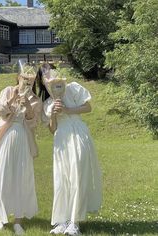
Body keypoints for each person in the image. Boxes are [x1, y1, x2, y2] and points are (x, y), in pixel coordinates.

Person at [37, 63, 102, 235]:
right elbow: (52, 129)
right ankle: (62, 220)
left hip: (78, 133)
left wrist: (67, 109)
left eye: (51, 72)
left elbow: (88, 107)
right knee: (62, 179)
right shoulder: (47, 103)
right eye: (45, 76)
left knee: (78, 175)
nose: (49, 76)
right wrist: (53, 115)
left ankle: (75, 223)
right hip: (61, 139)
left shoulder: (72, 89)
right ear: (43, 82)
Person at [0, 64, 42, 235]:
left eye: (31, 81)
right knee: (3, 174)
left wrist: (28, 107)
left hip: (23, 139)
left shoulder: (35, 100)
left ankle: (18, 221)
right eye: (25, 79)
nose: (28, 83)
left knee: (21, 177)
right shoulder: (8, 90)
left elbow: (33, 123)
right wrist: (12, 98)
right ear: (19, 77)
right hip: (7, 138)